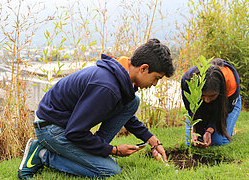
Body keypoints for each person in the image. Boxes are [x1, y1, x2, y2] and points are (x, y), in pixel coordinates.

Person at [18, 38, 175, 179]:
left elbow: (123, 114)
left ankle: (94, 154)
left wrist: (152, 140)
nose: (155, 84)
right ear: (143, 68)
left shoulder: (120, 78)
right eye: (156, 78)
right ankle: (42, 154)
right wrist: (114, 150)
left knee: (133, 102)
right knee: (110, 171)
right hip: (51, 127)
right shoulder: (106, 87)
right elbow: (75, 132)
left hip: (66, 125)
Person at [181, 58, 241, 148]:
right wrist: (193, 129)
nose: (207, 100)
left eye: (212, 96)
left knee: (218, 142)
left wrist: (209, 130)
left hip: (225, 103)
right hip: (200, 105)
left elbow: (225, 109)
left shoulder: (230, 81)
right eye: (203, 95)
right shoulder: (188, 80)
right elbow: (191, 109)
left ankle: (229, 128)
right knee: (192, 143)